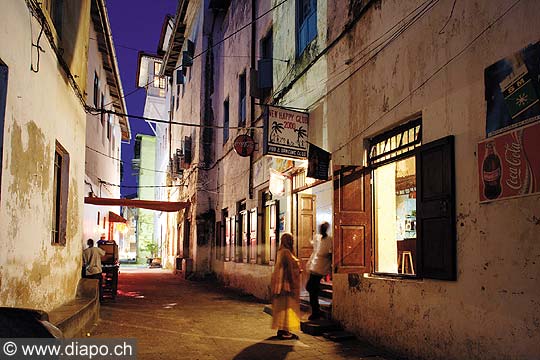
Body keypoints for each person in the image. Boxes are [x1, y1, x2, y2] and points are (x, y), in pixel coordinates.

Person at [271, 233, 301, 340]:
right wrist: (294, 282)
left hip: (280, 285)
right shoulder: (286, 253)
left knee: (282, 308)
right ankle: (285, 332)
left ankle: (282, 329)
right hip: (286, 285)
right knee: (287, 308)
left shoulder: (280, 251)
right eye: (291, 240)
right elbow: (288, 270)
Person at [306, 222, 332, 320]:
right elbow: (315, 249)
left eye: (323, 228)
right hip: (315, 265)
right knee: (311, 288)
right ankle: (316, 310)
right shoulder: (318, 238)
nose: (321, 229)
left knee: (311, 288)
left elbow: (330, 253)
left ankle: (316, 312)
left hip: (321, 267)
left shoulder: (330, 240)